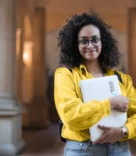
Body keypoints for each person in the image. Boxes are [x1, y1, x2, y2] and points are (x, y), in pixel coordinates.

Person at [54, 12, 136, 156]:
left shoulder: (122, 79)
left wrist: (124, 131)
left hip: (120, 149)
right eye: (84, 41)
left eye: (95, 39)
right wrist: (110, 103)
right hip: (82, 150)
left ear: (102, 42)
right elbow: (71, 117)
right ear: (75, 44)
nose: (90, 45)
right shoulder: (65, 75)